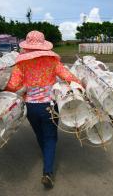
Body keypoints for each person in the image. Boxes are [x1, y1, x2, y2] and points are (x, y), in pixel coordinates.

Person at [5, 30, 80, 189]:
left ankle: (46, 155)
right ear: (43, 45)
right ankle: (48, 172)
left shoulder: (22, 64)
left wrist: (3, 90)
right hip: (49, 106)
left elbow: (12, 86)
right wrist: (83, 86)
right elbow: (70, 78)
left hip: (31, 107)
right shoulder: (52, 61)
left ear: (27, 46)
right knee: (50, 137)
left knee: (40, 133)